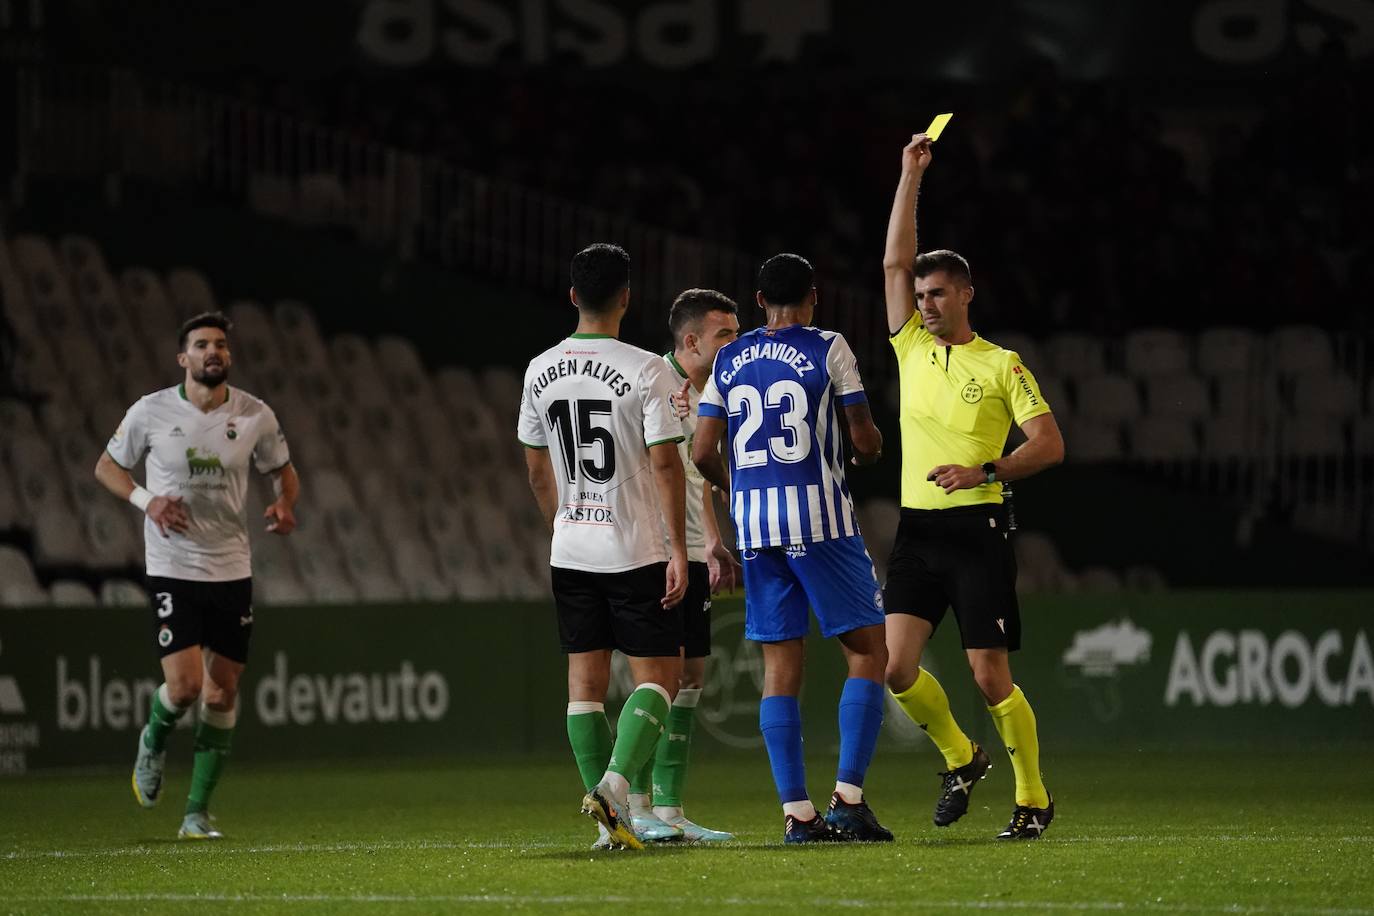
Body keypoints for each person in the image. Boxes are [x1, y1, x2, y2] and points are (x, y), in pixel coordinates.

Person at [880, 133, 1066, 840]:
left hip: (977, 530)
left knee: (992, 677)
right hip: (917, 530)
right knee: (896, 669)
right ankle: (962, 757)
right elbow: (895, 258)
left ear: (965, 294)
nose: (924, 303)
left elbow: (1049, 443)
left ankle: (1033, 798)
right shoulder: (912, 347)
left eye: (936, 293)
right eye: (919, 294)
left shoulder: (1001, 365)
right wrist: (909, 177)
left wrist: (985, 470)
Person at [692, 253, 891, 844]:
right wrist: (869, 448)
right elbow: (863, 438)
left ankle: (797, 814)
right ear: (814, 295)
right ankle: (848, 800)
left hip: (756, 530)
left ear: (757, 302)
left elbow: (703, 452)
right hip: (820, 522)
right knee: (868, 653)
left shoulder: (727, 357)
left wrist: (741, 487)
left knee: (780, 670)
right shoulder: (829, 347)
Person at [95, 311, 298, 840]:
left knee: (220, 694)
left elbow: (283, 473)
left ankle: (195, 814)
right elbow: (107, 466)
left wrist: (285, 504)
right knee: (184, 688)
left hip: (232, 569)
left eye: (221, 345)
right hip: (173, 566)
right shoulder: (151, 411)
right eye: (203, 344)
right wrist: (147, 500)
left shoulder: (255, 414)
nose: (214, 352)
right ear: (182, 358)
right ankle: (154, 740)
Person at [517, 243, 690, 851]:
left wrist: (562, 524)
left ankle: (605, 829)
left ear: (572, 297)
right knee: (661, 678)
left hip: (571, 547)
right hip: (634, 546)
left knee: (583, 686)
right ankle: (615, 789)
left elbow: (538, 473)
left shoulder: (539, 369)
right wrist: (675, 547)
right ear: (626, 297)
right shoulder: (649, 369)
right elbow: (667, 465)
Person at [625, 288, 743, 844]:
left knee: (692, 677)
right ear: (691, 339)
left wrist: (714, 542)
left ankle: (670, 809)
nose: (735, 344)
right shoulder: (656, 385)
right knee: (662, 678)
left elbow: (695, 484)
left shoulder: (708, 395)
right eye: (726, 335)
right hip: (657, 554)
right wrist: (672, 548)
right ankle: (639, 803)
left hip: (693, 552)